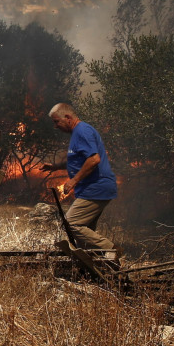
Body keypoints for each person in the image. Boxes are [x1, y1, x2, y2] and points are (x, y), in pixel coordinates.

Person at [41, 102, 118, 258]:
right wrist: (56, 166)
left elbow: (94, 159)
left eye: (57, 121)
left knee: (72, 224)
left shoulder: (82, 131)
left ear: (68, 117)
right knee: (84, 238)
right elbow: (78, 159)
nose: (55, 126)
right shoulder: (78, 133)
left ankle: (112, 250)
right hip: (93, 188)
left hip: (95, 187)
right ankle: (99, 266)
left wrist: (74, 180)